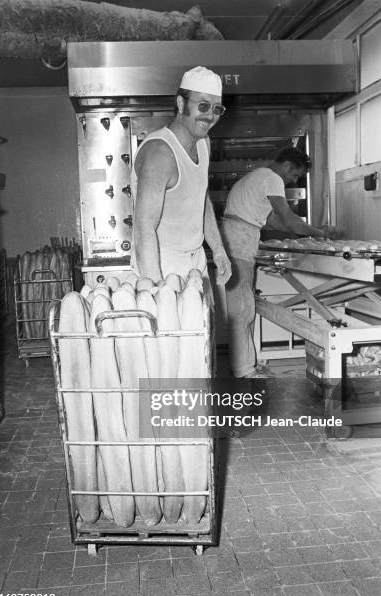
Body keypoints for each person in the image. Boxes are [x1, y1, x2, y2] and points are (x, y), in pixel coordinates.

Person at [221, 146, 335, 378]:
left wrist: (309, 231)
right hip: (239, 241)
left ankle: (248, 364)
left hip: (238, 238)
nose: (293, 181)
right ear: (286, 166)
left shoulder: (258, 177)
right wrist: (318, 233)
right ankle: (244, 372)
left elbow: (276, 222)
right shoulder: (272, 178)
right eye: (295, 175)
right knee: (243, 309)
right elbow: (290, 220)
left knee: (245, 307)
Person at [131, 65, 231, 290]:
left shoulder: (204, 143)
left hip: (196, 262)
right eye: (203, 106)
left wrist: (218, 249)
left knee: (206, 324)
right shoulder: (160, 152)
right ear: (181, 103)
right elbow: (144, 227)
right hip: (161, 264)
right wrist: (156, 289)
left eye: (217, 109)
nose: (210, 116)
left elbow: (200, 197)